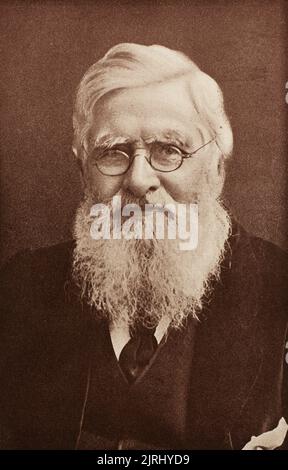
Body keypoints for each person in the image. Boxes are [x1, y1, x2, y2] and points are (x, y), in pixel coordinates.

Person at [0, 43, 287, 450]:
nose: (139, 180)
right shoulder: (20, 289)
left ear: (217, 169)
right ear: (83, 170)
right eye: (113, 153)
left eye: (168, 150)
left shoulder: (279, 287)